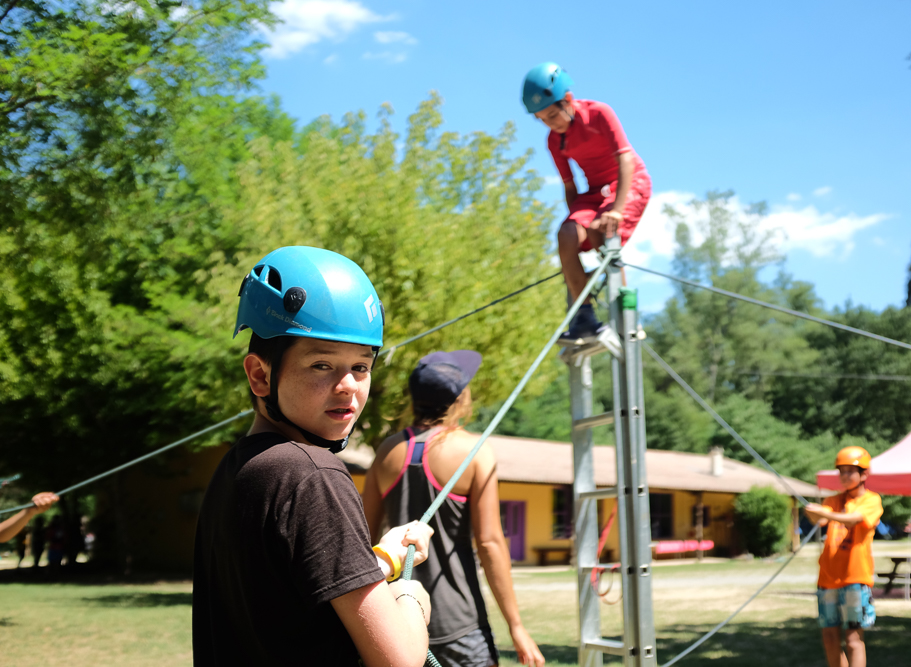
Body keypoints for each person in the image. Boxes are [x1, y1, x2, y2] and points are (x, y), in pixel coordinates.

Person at [193, 246, 435, 667]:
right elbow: (401, 661)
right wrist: (409, 595)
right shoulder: (313, 473)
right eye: (322, 364)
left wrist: (385, 559)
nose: (348, 386)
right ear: (260, 374)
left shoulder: (239, 468)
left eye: (361, 366)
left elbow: (285, 604)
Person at [363, 350, 545, 667]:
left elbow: (364, 538)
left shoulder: (387, 451)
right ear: (460, 397)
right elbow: (489, 543)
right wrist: (516, 626)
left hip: (400, 616)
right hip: (459, 625)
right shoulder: (474, 452)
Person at [522, 62, 652, 340]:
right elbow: (570, 186)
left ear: (567, 100)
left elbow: (625, 157)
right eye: (542, 119)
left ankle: (626, 318)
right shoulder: (554, 141)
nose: (550, 124)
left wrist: (616, 210)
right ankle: (583, 315)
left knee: (601, 229)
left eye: (553, 115)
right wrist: (576, 224)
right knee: (567, 234)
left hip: (627, 181)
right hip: (593, 193)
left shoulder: (599, 113)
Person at [805, 446, 883, 667]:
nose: (845, 476)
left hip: (855, 579)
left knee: (853, 638)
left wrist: (824, 513)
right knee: (829, 638)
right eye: (842, 471)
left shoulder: (872, 500)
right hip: (828, 579)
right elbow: (818, 521)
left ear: (864, 475)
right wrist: (813, 512)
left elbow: (855, 519)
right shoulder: (832, 501)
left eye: (851, 471)